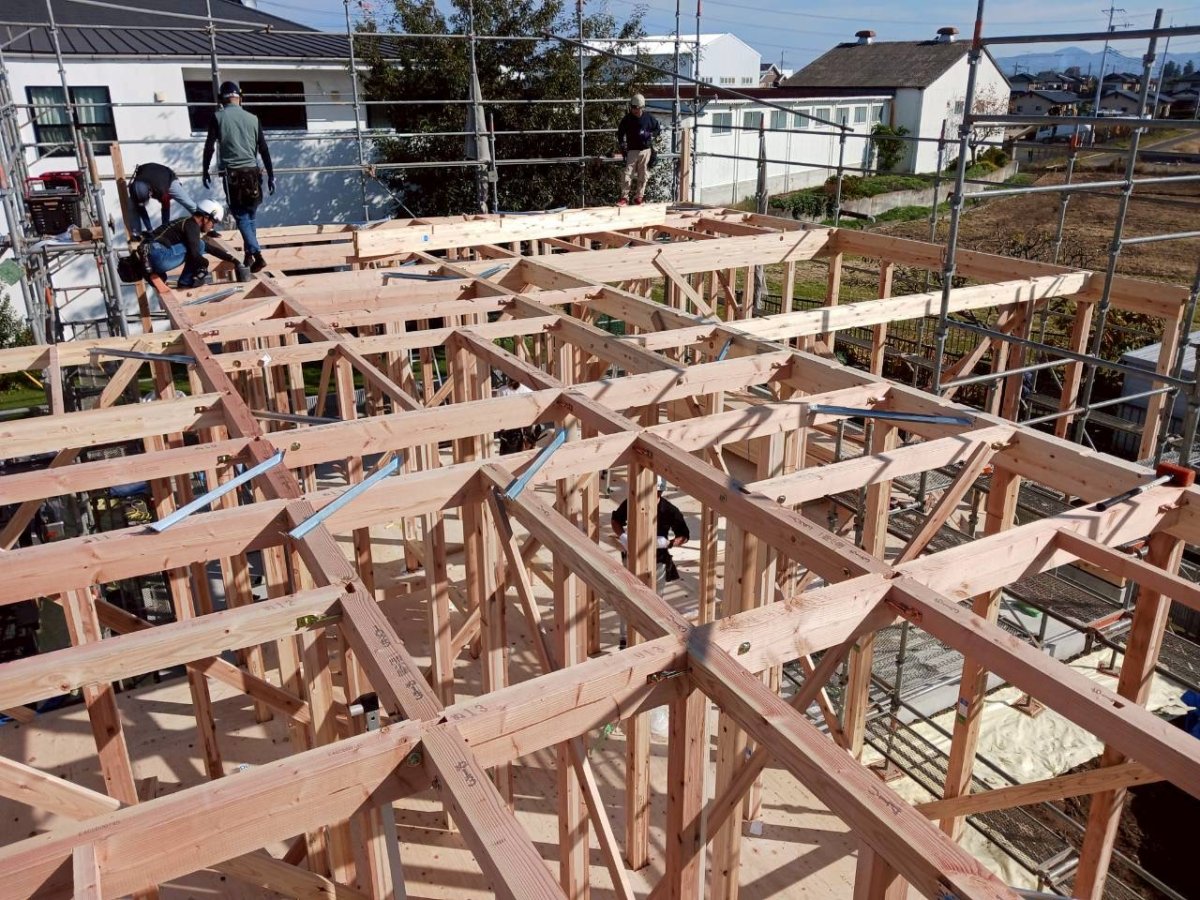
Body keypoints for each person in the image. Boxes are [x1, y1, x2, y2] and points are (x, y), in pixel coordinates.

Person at [202, 81, 273, 273]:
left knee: (241, 216)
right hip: (253, 174)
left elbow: (209, 147)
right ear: (240, 97)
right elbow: (264, 149)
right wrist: (271, 175)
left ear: (221, 99)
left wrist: (205, 169)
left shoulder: (218, 117)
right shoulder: (253, 118)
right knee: (250, 216)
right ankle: (249, 256)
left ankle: (257, 255)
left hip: (233, 175)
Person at [141, 199, 236, 289]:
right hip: (159, 256)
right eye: (213, 222)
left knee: (200, 245)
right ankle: (186, 281)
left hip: (149, 256)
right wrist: (204, 265)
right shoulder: (192, 225)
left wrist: (233, 259)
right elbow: (195, 253)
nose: (213, 226)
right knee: (200, 245)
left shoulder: (186, 222)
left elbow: (210, 248)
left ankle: (154, 273)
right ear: (206, 217)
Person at [610, 476, 689, 584]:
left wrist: (667, 543)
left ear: (660, 492)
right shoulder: (632, 503)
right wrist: (623, 537)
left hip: (657, 561)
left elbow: (684, 535)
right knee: (631, 589)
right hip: (632, 557)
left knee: (653, 593)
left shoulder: (669, 511)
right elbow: (616, 520)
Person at [129, 162, 199, 236]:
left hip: (168, 177)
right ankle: (136, 234)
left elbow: (166, 206)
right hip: (148, 171)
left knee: (188, 203)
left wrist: (164, 229)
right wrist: (150, 230)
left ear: (150, 192)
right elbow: (141, 208)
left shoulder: (161, 190)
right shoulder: (134, 189)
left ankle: (204, 220)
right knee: (132, 205)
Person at [615, 94, 660, 207]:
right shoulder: (627, 119)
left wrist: (650, 134)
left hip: (645, 150)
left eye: (637, 108)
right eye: (633, 107)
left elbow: (657, 129)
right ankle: (624, 198)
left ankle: (639, 197)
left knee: (643, 175)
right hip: (632, 150)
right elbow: (620, 133)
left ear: (642, 107)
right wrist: (622, 144)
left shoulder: (648, 118)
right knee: (627, 174)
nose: (635, 110)